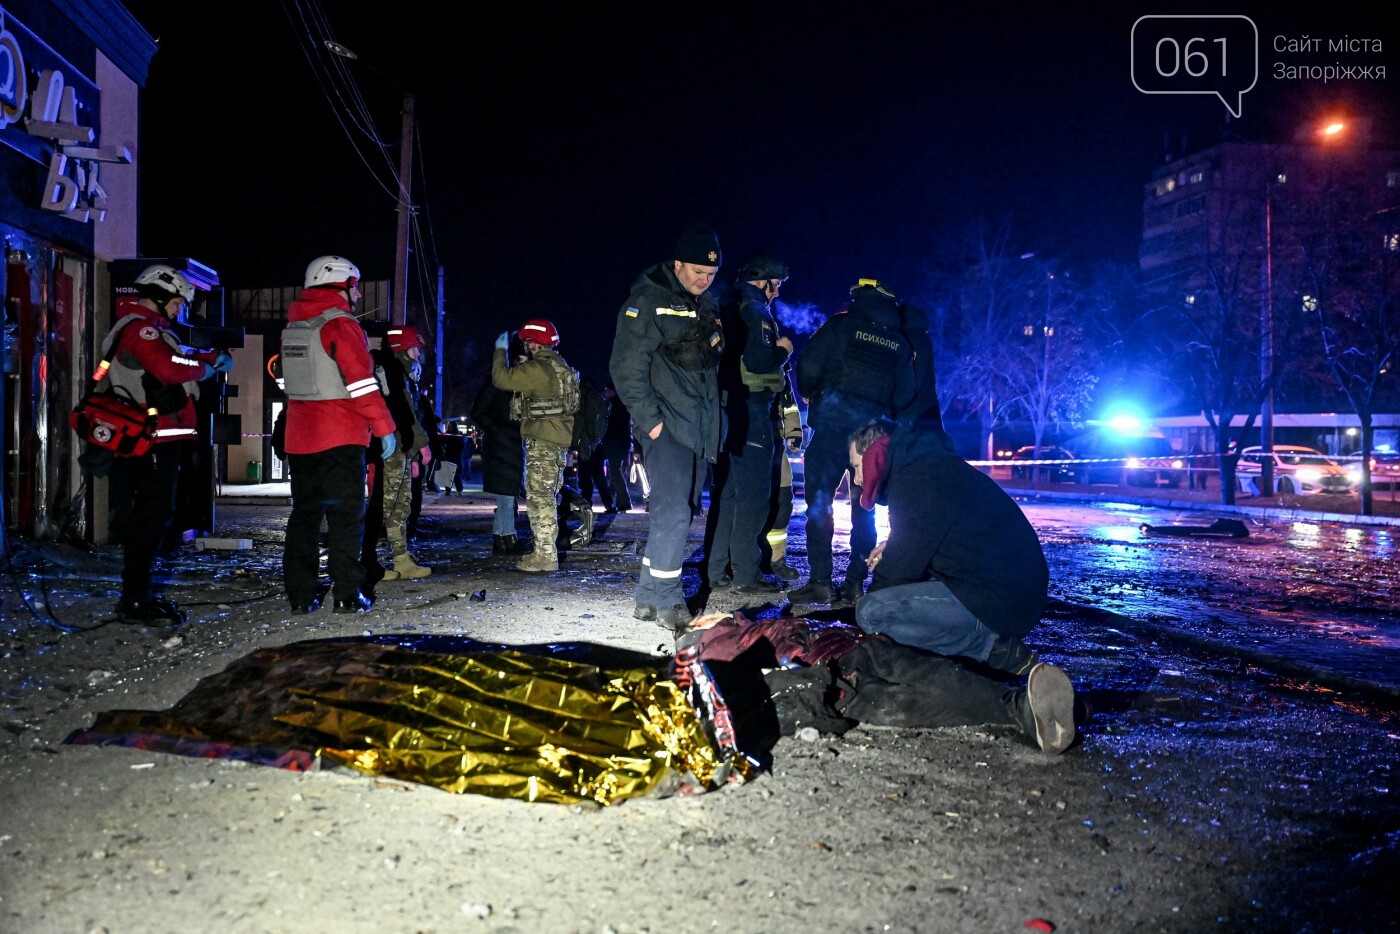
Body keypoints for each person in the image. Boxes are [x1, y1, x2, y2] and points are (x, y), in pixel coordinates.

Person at [678, 610, 1077, 755]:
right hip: (837, 682)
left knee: (928, 686)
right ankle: (1027, 711)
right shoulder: (710, 653)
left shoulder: (737, 633)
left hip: (845, 661)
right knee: (917, 700)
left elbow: (786, 632)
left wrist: (781, 653)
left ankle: (1026, 709)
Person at [848, 417, 1050, 682]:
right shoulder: (925, 467)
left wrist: (862, 630)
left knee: (871, 613)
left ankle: (994, 649)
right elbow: (932, 534)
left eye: (856, 466)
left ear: (874, 452)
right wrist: (894, 546)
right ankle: (980, 641)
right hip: (1007, 589)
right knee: (888, 602)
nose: (857, 479)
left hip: (1004, 601)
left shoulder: (917, 479)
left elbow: (898, 571)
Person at [609, 224, 726, 633]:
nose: (704, 279)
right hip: (668, 426)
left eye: (711, 274)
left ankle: (647, 597)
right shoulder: (648, 302)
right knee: (674, 513)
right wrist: (653, 424)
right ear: (677, 265)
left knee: (680, 510)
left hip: (698, 428)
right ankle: (668, 600)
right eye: (698, 271)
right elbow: (626, 368)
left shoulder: (703, 305)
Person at [105, 265, 233, 623]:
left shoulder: (147, 330)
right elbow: (169, 366)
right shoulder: (141, 329)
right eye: (176, 303)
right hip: (152, 440)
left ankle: (139, 595)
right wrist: (205, 368)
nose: (178, 312)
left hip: (158, 438)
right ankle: (135, 600)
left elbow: (174, 355)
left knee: (155, 516)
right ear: (159, 297)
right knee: (150, 517)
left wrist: (207, 357)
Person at [281, 255, 397, 616]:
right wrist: (385, 428)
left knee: (304, 517)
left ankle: (300, 595)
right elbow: (361, 383)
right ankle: (347, 593)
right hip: (341, 436)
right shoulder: (340, 324)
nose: (357, 294)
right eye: (354, 286)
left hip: (300, 439)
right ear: (341, 285)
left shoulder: (295, 325)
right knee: (346, 518)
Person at [789, 279, 917, 606]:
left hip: (831, 429)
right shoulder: (900, 344)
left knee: (820, 505)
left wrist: (810, 392)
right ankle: (855, 583)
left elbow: (809, 365)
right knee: (865, 510)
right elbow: (904, 395)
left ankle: (820, 582)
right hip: (871, 439)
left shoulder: (841, 326)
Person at [706, 252, 793, 595]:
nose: (777, 292)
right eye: (776, 285)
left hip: (727, 410)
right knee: (754, 498)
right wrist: (783, 351)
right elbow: (758, 362)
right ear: (762, 280)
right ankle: (746, 575)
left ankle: (716, 571)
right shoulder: (755, 310)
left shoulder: (728, 305)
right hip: (753, 409)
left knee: (728, 496)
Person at [491, 318, 576, 573]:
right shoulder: (559, 366)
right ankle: (541, 552)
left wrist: (500, 351)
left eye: (527, 342)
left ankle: (546, 556)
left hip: (543, 441)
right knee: (543, 497)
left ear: (533, 343)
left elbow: (501, 378)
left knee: (541, 499)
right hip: (555, 440)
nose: (526, 347)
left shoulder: (538, 368)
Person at [362, 325, 433, 584]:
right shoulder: (390, 372)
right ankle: (367, 560)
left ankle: (401, 558)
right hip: (389, 449)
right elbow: (404, 413)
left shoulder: (400, 373)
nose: (418, 354)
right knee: (385, 505)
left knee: (400, 505)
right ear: (402, 349)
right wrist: (421, 445)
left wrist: (411, 452)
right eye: (415, 349)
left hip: (400, 448)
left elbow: (408, 414)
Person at [471, 340, 531, 556]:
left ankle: (502, 537)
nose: (523, 365)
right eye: (520, 360)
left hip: (511, 444)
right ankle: (507, 538)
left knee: (508, 494)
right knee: (506, 494)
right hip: (501, 445)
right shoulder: (498, 383)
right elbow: (478, 411)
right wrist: (498, 430)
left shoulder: (522, 384)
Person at [598, 380, 634, 513]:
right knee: (618, 471)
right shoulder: (623, 404)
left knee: (615, 471)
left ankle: (624, 502)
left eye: (607, 390)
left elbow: (610, 426)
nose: (605, 392)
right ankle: (620, 501)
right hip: (623, 443)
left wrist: (606, 439)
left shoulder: (612, 405)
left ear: (612, 391)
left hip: (615, 444)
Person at [440, 422, 466, 494]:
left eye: (450, 425)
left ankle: (458, 489)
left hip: (455, 456)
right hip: (449, 455)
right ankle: (448, 490)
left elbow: (461, 445)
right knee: (448, 474)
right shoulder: (448, 434)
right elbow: (442, 441)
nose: (449, 427)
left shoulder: (457, 434)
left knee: (456, 474)